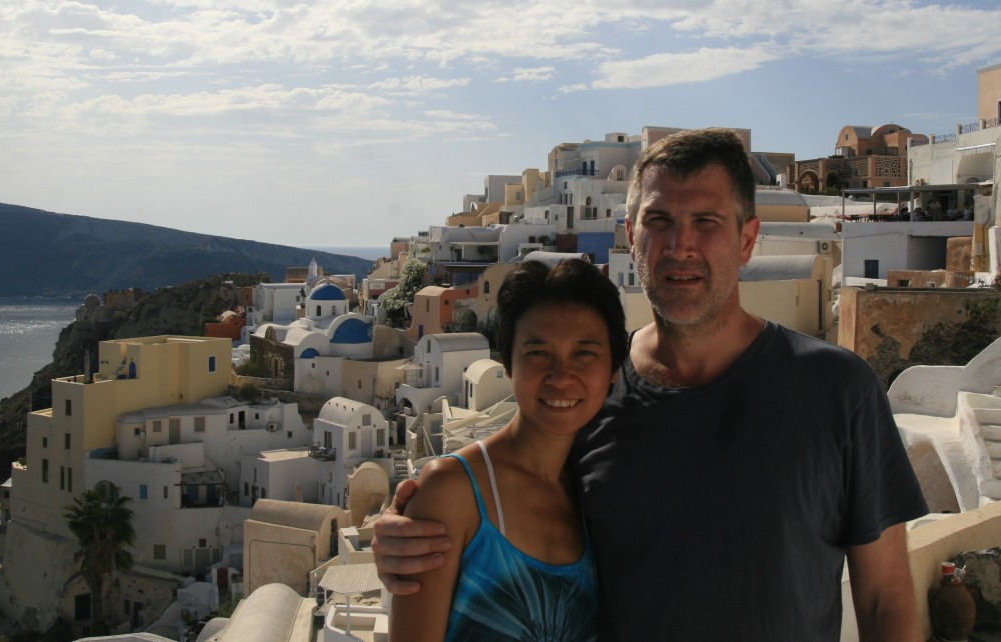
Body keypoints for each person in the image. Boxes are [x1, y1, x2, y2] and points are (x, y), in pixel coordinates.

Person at [374, 128, 928, 641]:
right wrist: (409, 530)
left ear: (747, 239)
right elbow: (510, 492)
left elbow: (883, 599)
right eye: (659, 221)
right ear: (630, 235)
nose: (680, 245)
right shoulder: (591, 393)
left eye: (707, 222)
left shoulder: (837, 391)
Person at [390, 258, 628, 641]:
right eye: (537, 352)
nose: (560, 376)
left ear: (614, 368)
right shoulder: (451, 492)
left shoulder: (590, 492)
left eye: (584, 353)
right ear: (508, 363)